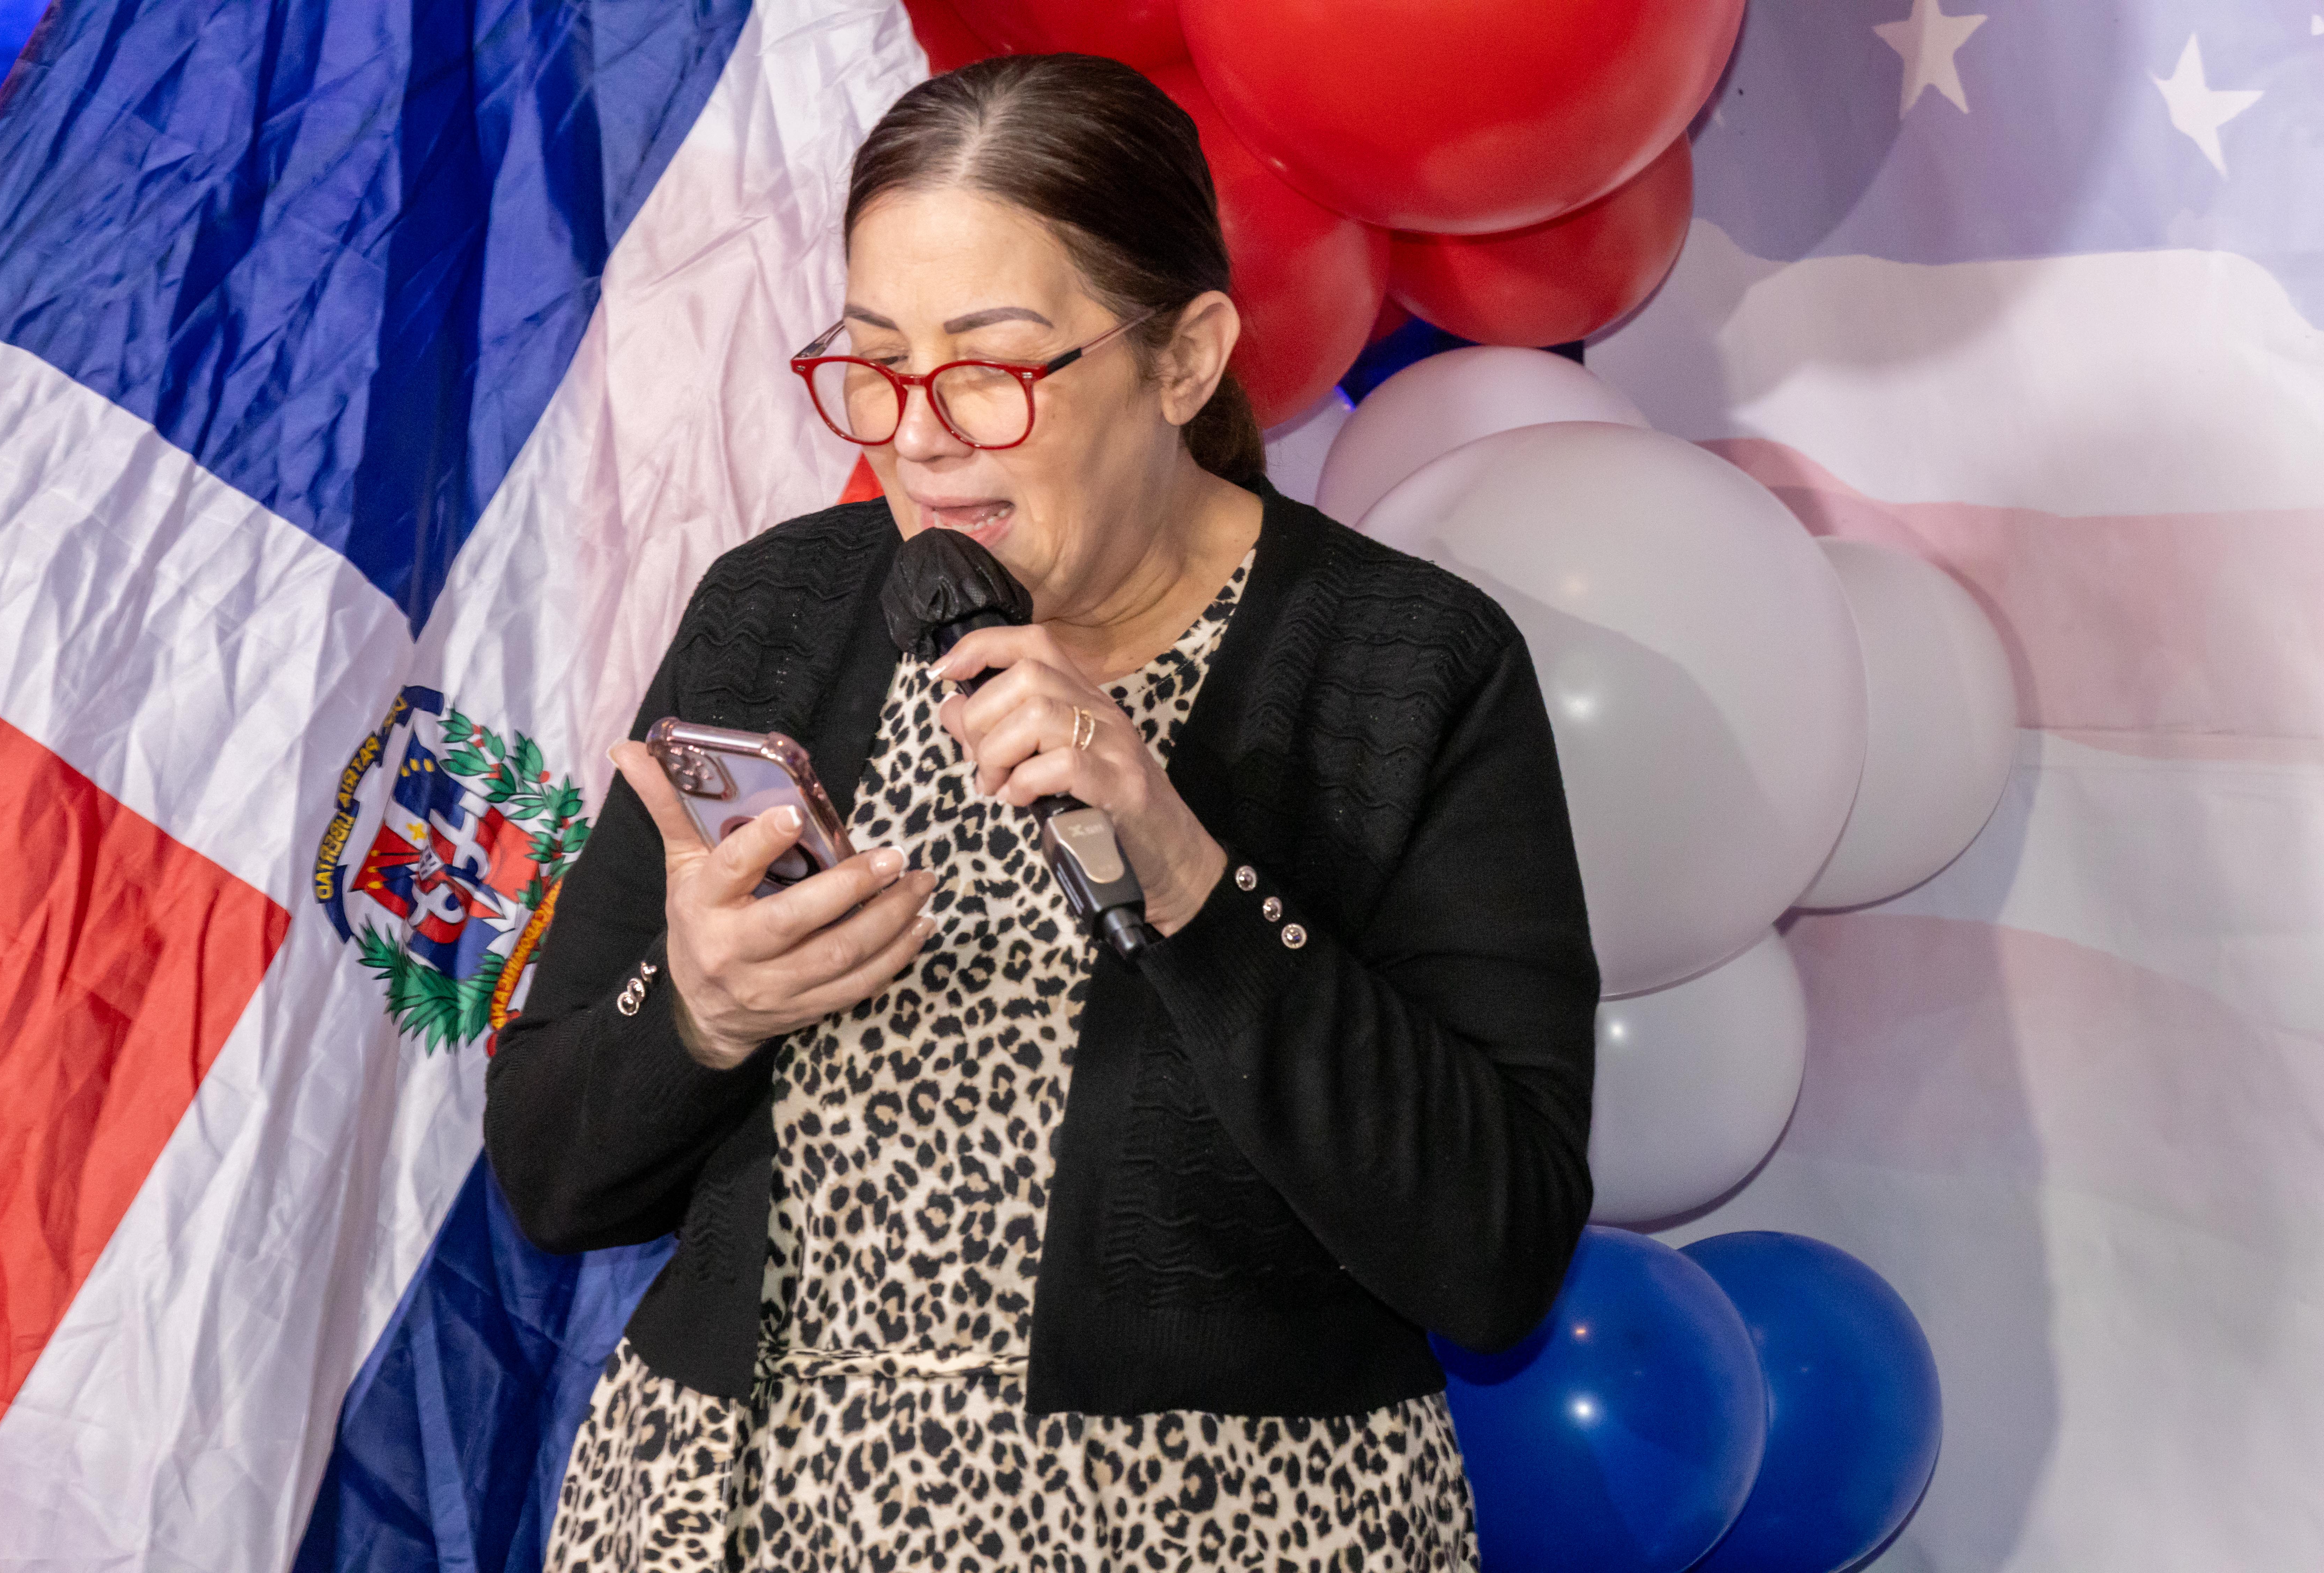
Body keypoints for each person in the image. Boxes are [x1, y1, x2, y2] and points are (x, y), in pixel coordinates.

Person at [487, 52, 1598, 1573]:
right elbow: (549, 1175)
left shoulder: (1406, 665)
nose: (917, 435)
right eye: (876, 363)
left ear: (1186, 360)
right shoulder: (776, 613)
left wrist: (1193, 879)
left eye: (991, 369)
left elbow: (1498, 1254)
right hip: (721, 1515)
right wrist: (697, 1010)